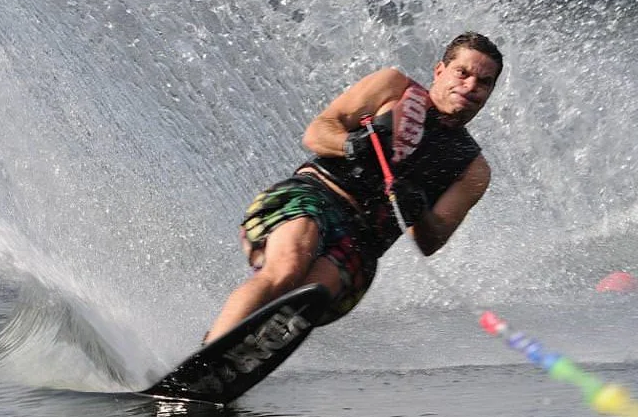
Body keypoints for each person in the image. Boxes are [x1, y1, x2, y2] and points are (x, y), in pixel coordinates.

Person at [204, 32, 503, 342]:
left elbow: (431, 240)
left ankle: (235, 362)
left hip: (363, 241)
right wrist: (353, 145)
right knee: (288, 267)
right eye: (462, 73)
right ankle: (211, 349)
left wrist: (417, 207)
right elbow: (317, 133)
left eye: (483, 82)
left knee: (314, 292)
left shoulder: (472, 169)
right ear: (440, 70)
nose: (470, 87)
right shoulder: (393, 87)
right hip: (313, 197)